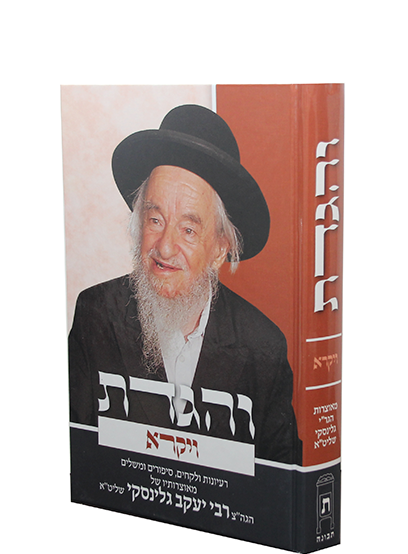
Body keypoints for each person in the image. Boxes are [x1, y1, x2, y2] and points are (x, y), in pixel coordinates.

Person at [68, 104, 302, 464]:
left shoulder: (263, 349)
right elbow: (75, 455)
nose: (164, 247)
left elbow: (281, 481)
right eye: (155, 219)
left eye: (189, 230)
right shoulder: (95, 315)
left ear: (219, 248)